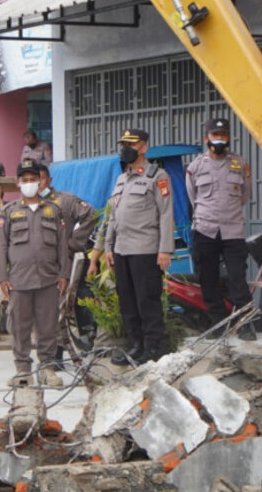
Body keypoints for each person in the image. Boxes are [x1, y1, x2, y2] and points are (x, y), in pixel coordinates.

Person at [0, 159, 69, 387]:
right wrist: (2, 278)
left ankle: (47, 368)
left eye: (33, 179)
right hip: (19, 280)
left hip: (48, 278)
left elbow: (62, 246)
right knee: (19, 326)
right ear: (18, 183)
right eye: (24, 180)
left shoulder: (54, 210)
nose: (29, 183)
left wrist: (64, 274)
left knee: (48, 326)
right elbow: (1, 247)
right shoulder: (8, 212)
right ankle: (23, 370)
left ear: (40, 182)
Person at [104, 128, 175, 366]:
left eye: (131, 144)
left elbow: (166, 215)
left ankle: (154, 347)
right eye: (123, 144)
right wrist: (108, 247)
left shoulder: (158, 176)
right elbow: (113, 216)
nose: (125, 148)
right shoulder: (121, 178)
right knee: (128, 301)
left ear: (143, 147)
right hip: (122, 250)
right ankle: (136, 346)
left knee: (147, 300)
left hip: (146, 249)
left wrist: (165, 250)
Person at [186, 118, 256, 340]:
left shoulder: (240, 164)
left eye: (223, 135)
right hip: (205, 229)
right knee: (208, 278)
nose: (219, 139)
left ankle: (245, 323)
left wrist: (227, 212)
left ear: (228, 137)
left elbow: (245, 195)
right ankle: (217, 323)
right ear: (206, 138)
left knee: (237, 277)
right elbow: (192, 197)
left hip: (232, 230)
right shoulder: (195, 167)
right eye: (215, 135)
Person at [37, 163, 98, 257]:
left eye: (42, 179)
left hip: (60, 259)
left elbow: (92, 214)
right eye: (34, 180)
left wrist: (74, 243)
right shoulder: (27, 205)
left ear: (50, 180)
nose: (38, 183)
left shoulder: (66, 200)